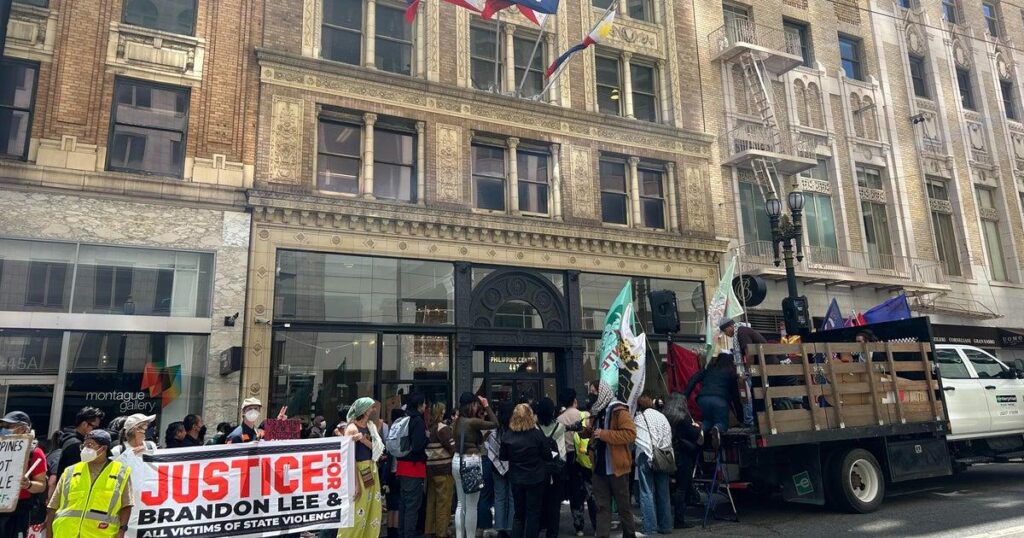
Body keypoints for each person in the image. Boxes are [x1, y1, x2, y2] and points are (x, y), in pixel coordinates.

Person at [45, 429, 133, 538]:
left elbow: (126, 506)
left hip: (100, 534)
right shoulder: (70, 471)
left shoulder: (121, 472)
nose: (86, 449)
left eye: (90, 445)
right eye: (84, 445)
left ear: (104, 448)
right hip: (65, 533)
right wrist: (49, 534)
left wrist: (121, 531)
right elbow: (53, 506)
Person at [587, 391, 637, 538]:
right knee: (602, 507)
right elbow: (594, 434)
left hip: (617, 467)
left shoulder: (618, 411)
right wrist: (587, 432)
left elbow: (630, 434)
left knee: (623, 507)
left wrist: (604, 434)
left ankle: (629, 534)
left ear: (603, 392)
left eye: (594, 391)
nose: (591, 394)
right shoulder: (596, 412)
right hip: (599, 467)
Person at [499, 404, 554, 538]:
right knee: (533, 514)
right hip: (536, 477)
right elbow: (547, 455)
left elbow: (503, 456)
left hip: (516, 478)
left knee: (519, 515)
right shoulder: (537, 434)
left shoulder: (508, 435)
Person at [451, 392, 497, 538]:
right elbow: (495, 423)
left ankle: (460, 536)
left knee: (460, 504)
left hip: (457, 460)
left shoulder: (457, 421)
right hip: (471, 461)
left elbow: (471, 441)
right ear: (471, 404)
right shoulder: (473, 422)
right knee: (471, 506)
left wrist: (483, 437)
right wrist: (487, 406)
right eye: (476, 404)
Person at [338, 397, 383, 538]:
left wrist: (363, 440)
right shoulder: (351, 428)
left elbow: (377, 448)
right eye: (370, 407)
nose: (373, 410)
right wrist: (355, 482)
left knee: (371, 507)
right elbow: (348, 456)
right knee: (358, 508)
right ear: (364, 410)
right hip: (358, 468)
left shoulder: (370, 426)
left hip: (370, 468)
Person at [0, 411, 47, 538]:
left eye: (8, 426)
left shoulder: (35, 453)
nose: (3, 430)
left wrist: (29, 484)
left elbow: (42, 484)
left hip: (18, 511)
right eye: (2, 426)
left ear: (22, 429)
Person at [684, 353, 744, 448]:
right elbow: (735, 397)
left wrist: (685, 396)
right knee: (722, 423)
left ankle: (702, 430)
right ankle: (718, 428)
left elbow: (693, 379)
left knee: (708, 420)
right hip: (720, 400)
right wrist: (741, 417)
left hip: (703, 400)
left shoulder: (709, 370)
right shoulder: (730, 375)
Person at [635, 395, 674, 535]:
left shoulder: (639, 417)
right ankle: (666, 526)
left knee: (646, 492)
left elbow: (638, 438)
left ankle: (650, 527)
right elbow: (668, 435)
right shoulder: (661, 416)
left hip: (646, 456)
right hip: (663, 455)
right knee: (663, 492)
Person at [558, 391, 595, 537]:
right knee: (591, 491)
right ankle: (596, 524)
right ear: (574, 400)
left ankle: (578, 526)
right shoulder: (585, 415)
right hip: (586, 455)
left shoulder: (559, 419)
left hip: (569, 457)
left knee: (575, 492)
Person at [662, 393, 702, 529]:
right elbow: (694, 433)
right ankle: (679, 519)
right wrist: (698, 426)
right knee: (682, 487)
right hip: (683, 455)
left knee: (675, 487)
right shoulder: (683, 418)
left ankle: (670, 515)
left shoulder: (666, 417)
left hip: (670, 453)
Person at [396, 393, 428, 538]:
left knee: (403, 504)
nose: (426, 407)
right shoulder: (417, 421)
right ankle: (409, 534)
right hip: (414, 468)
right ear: (419, 405)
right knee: (412, 506)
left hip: (401, 466)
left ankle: (402, 533)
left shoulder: (403, 418)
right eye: (424, 404)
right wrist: (426, 438)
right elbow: (417, 446)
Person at [534, 398, 565, 538]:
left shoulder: (533, 428)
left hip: (537, 472)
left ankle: (538, 528)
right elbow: (562, 454)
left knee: (537, 504)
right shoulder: (560, 427)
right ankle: (552, 534)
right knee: (554, 506)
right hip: (555, 473)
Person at [425, 403, 455, 538]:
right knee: (444, 502)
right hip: (444, 470)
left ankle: (430, 530)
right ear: (442, 412)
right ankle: (441, 533)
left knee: (431, 502)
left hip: (430, 470)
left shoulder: (429, 429)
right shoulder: (443, 429)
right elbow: (453, 448)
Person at [487, 401, 515, 538]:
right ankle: (510, 527)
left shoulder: (495, 430)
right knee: (512, 497)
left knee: (499, 497)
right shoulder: (515, 430)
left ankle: (500, 528)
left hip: (496, 468)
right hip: (514, 467)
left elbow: (491, 451)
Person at [55, 406, 105, 480]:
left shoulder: (72, 440)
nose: (96, 431)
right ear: (84, 424)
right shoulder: (75, 445)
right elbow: (75, 474)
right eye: (94, 427)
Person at [385, 407, 406, 538]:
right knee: (398, 504)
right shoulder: (402, 431)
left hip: (390, 473)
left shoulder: (390, 431)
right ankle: (396, 531)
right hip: (399, 471)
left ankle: (390, 531)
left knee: (390, 505)